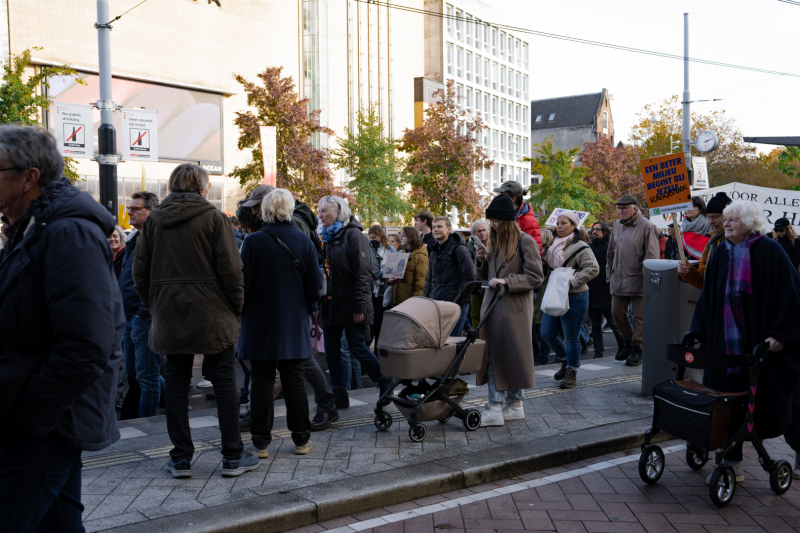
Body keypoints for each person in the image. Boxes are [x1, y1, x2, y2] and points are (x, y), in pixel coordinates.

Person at [0, 125, 124, 532]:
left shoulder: (67, 232)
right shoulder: (32, 229)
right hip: (40, 409)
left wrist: (33, 419)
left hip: (49, 418)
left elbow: (86, 344)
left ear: (28, 177)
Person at [133, 164, 258, 478]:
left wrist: (156, 304)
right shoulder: (214, 218)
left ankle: (180, 459)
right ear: (203, 188)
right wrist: (235, 307)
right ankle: (233, 455)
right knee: (225, 381)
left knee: (176, 382)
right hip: (212, 311)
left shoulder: (154, 221)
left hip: (168, 312)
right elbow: (232, 271)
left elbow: (140, 272)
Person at [690, 200, 800, 483]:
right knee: (728, 403)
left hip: (760, 345)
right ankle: (732, 461)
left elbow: (791, 294)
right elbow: (708, 299)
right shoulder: (720, 253)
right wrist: (698, 332)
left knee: (779, 401)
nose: (725, 224)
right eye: (725, 219)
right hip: (724, 346)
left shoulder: (770, 251)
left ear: (750, 223)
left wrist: (780, 334)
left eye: (732, 220)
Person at [239, 189, 322, 456]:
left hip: (259, 322)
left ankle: (261, 443)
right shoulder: (303, 240)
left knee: (261, 381)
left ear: (264, 211)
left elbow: (244, 287)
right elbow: (314, 285)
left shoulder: (252, 242)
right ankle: (301, 440)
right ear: (289, 209)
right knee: (294, 379)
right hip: (293, 320)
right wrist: (308, 310)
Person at [317, 195, 394, 408]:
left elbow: (363, 274)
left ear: (339, 212)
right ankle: (340, 395)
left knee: (357, 348)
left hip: (351, 303)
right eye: (319, 211)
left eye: (325, 210)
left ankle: (384, 380)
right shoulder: (325, 236)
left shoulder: (353, 235)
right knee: (332, 352)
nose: (320, 214)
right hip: (331, 304)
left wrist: (359, 306)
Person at [475, 195, 543, 426]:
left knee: (503, 356)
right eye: (490, 220)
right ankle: (514, 404)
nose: (492, 224)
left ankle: (495, 407)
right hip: (495, 308)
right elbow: (485, 277)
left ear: (507, 220)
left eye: (496, 220)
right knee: (502, 356)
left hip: (513, 309)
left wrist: (507, 281)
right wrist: (481, 260)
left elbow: (536, 277)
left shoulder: (526, 241)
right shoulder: (494, 243)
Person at [118, 191, 163, 420]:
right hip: (130, 315)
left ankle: (149, 424)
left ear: (151, 211)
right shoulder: (135, 237)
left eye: (136, 209)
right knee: (135, 372)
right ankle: (174, 398)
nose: (130, 212)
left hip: (142, 316)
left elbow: (156, 279)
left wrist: (141, 312)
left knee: (147, 376)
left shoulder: (156, 239)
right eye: (130, 208)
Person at [541, 212, 599, 388]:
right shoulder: (553, 245)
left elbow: (593, 268)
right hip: (555, 293)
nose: (559, 226)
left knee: (571, 336)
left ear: (574, 225)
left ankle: (571, 372)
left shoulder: (581, 246)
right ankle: (566, 359)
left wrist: (571, 281)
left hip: (576, 295)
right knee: (547, 333)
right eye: (557, 223)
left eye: (563, 223)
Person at [606, 194, 660, 367]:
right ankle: (629, 342)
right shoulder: (615, 225)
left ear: (635, 208)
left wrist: (649, 281)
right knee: (616, 312)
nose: (621, 211)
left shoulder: (647, 226)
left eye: (625, 208)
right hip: (619, 278)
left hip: (639, 278)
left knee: (639, 317)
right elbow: (610, 253)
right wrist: (610, 274)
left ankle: (638, 347)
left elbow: (651, 256)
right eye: (619, 208)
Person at [423, 216, 476, 336]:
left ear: (448, 229)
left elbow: (469, 278)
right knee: (440, 340)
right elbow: (430, 278)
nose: (436, 229)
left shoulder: (460, 249)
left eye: (439, 227)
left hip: (455, 305)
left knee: (452, 342)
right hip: (437, 303)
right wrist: (425, 298)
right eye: (434, 227)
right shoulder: (434, 250)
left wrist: (458, 301)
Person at [677, 191, 732, 289]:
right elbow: (704, 282)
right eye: (709, 217)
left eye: (716, 216)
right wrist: (689, 271)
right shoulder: (711, 242)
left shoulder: (743, 242)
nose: (711, 221)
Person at [587, 222, 624, 359]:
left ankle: (623, 345)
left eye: (598, 229)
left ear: (605, 231)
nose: (595, 231)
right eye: (593, 229)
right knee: (595, 324)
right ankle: (598, 352)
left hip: (607, 289)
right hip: (592, 289)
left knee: (614, 322)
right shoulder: (588, 247)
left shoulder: (610, 247)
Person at [367, 225, 396, 344]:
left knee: (379, 321)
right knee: (371, 322)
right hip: (370, 289)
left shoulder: (390, 249)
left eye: (374, 237)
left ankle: (378, 354)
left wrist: (379, 274)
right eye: (370, 237)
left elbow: (392, 269)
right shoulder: (368, 248)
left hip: (383, 290)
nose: (372, 240)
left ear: (381, 236)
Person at [493, 180, 542, 250]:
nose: (499, 199)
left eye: (502, 196)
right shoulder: (504, 217)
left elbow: (534, 253)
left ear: (513, 198)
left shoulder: (529, 221)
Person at [389, 226, 429, 306]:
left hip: (410, 303)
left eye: (403, 236)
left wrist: (415, 303)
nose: (400, 238)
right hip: (397, 301)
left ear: (411, 238)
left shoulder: (420, 256)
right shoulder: (400, 254)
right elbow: (390, 275)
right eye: (401, 235)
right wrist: (389, 280)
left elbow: (421, 284)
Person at [534, 229, 555, 365]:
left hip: (546, 290)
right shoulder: (543, 252)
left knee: (544, 327)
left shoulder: (549, 253)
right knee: (541, 326)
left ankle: (543, 357)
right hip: (542, 290)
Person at [467, 220, 489, 328]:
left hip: (490, 284)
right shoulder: (470, 245)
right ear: (474, 233)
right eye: (479, 231)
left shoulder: (492, 243)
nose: (482, 233)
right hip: (476, 285)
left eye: (484, 230)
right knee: (476, 316)